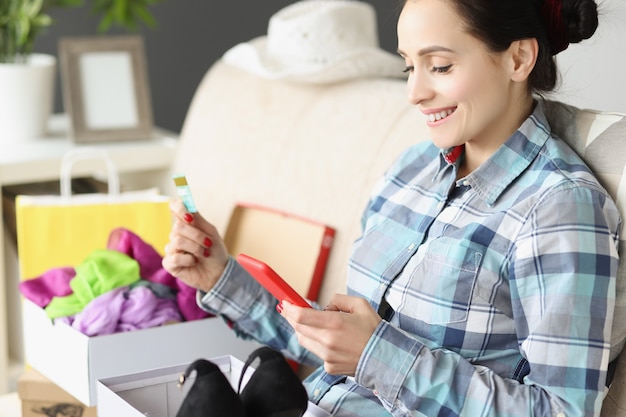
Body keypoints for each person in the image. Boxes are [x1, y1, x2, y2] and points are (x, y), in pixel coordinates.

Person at [162, 0, 622, 415]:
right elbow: (339, 351)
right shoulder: (411, 171)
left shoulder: (560, 208)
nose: (414, 93)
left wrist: (378, 354)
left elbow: (563, 411)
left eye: (439, 66)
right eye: (408, 68)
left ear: (518, 58)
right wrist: (221, 277)